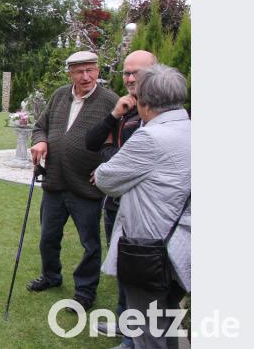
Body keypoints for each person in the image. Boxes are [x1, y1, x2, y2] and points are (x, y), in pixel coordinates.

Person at [94, 64, 190, 349]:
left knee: (149, 333)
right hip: (182, 247)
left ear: (144, 102)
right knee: (167, 319)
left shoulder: (149, 137)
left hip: (150, 250)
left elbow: (105, 179)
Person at [26, 50, 118, 312]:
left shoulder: (109, 101)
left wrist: (106, 167)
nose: (86, 76)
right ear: (71, 73)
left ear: (98, 71)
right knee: (48, 237)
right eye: (80, 71)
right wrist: (40, 141)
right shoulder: (59, 95)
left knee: (90, 243)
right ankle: (51, 276)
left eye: (91, 70)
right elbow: (40, 126)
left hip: (86, 186)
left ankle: (85, 291)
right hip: (54, 182)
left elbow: (120, 143)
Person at [85, 50, 157, 348]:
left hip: (143, 210)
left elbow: (128, 161)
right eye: (126, 72)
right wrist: (114, 114)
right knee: (123, 269)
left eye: (136, 73)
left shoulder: (158, 115)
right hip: (116, 205)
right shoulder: (125, 110)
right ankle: (124, 321)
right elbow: (93, 142)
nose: (129, 78)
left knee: (141, 275)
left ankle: (134, 339)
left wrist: (108, 162)